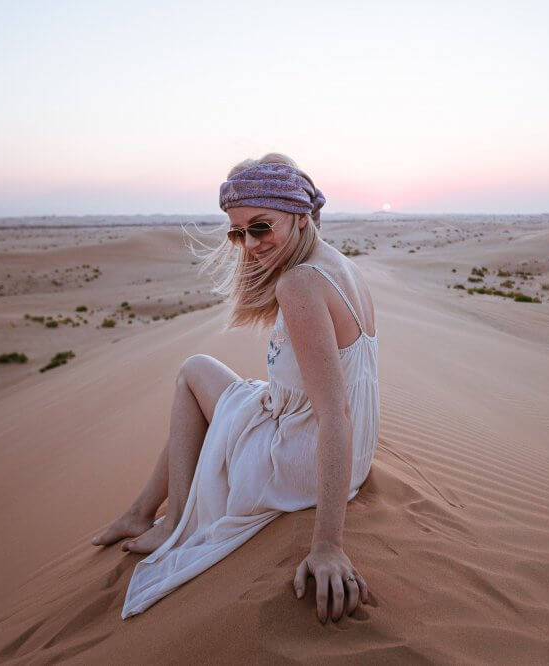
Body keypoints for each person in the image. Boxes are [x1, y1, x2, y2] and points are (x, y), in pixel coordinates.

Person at [91, 153, 380, 624]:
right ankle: (144, 511)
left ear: (300, 216)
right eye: (238, 231)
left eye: (261, 227)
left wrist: (328, 545)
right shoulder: (341, 265)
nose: (249, 245)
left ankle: (175, 523)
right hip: (349, 456)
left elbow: (335, 413)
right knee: (225, 390)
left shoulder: (300, 283)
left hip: (302, 463)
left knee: (193, 371)